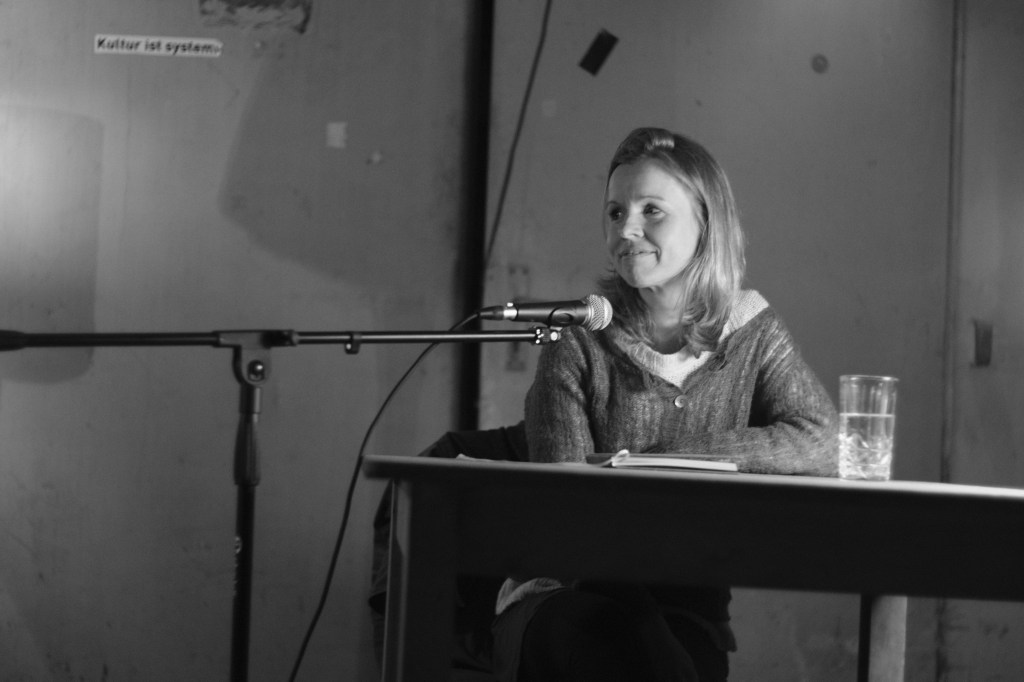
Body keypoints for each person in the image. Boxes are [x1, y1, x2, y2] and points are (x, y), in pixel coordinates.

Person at [490, 127, 839, 682]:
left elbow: (822, 441)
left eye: (651, 210)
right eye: (615, 212)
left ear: (706, 222)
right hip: (563, 597)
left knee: (667, 655)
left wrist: (667, 460)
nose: (626, 229)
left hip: (687, 606)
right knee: (626, 651)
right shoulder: (578, 336)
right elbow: (567, 517)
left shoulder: (751, 328)